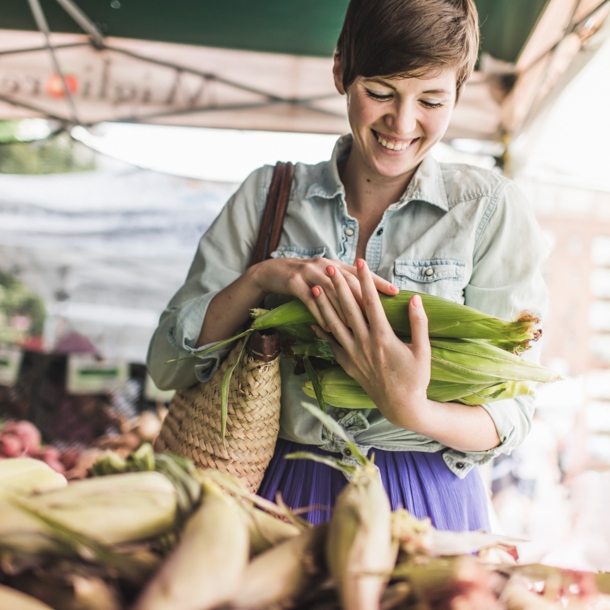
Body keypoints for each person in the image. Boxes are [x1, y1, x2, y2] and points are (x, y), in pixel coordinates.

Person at [147, 0, 548, 531]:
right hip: (276, 492)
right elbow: (166, 366)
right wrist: (260, 281)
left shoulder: (488, 211)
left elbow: (514, 414)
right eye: (379, 92)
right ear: (341, 71)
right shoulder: (267, 196)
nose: (401, 124)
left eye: (431, 99)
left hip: (426, 503)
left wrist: (412, 410)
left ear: (459, 90)